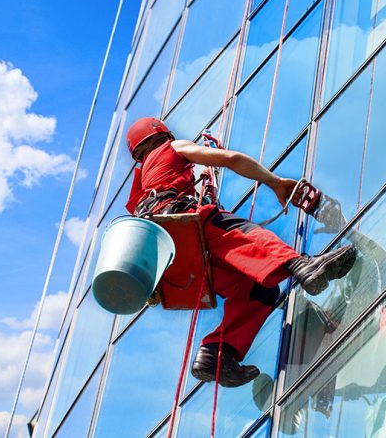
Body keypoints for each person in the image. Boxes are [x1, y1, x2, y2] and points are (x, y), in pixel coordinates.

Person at [123, 117, 357, 388]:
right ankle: (304, 266)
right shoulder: (173, 148)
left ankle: (218, 353)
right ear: (162, 135)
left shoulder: (141, 184)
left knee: (258, 291)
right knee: (243, 234)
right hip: (181, 223)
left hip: (174, 260)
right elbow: (232, 158)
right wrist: (275, 182)